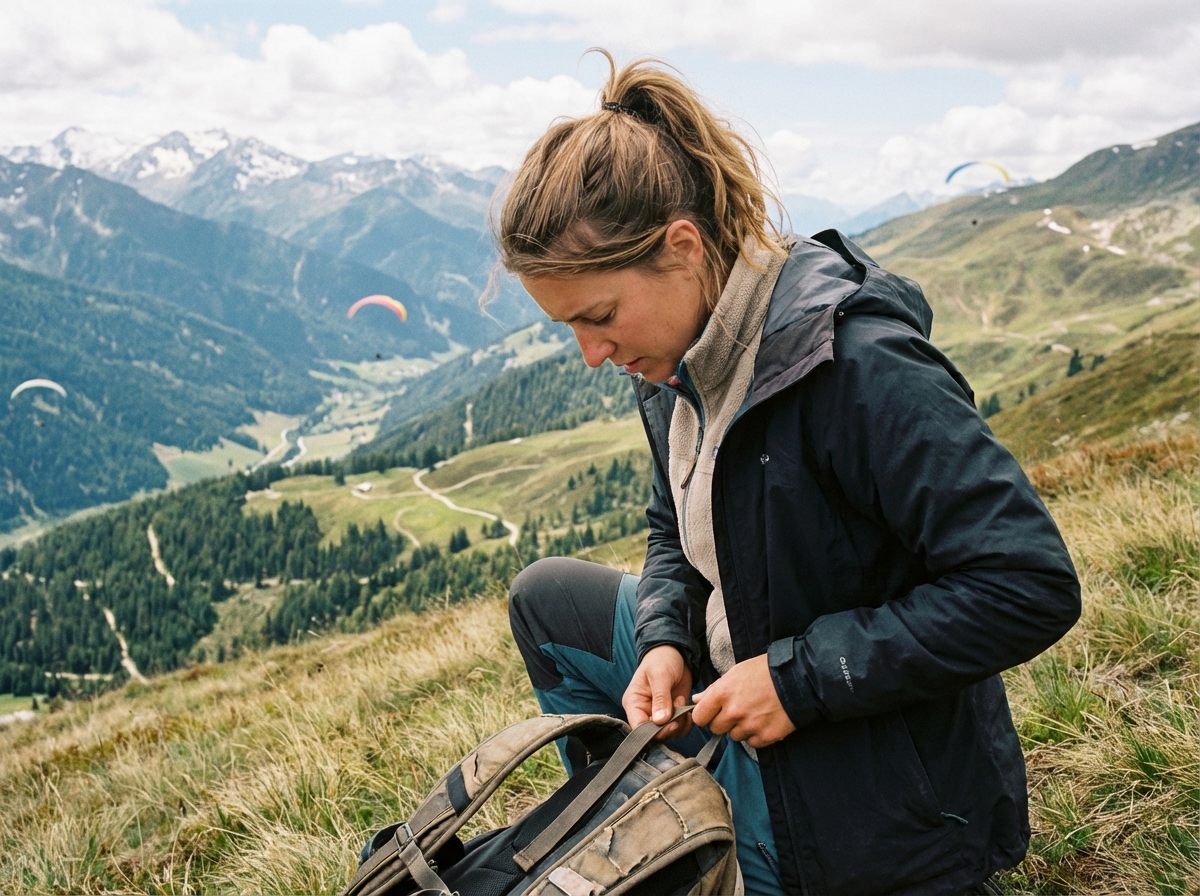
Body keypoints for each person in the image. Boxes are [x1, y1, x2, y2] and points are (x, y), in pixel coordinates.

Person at [495, 52, 1080, 895]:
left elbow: (1028, 583)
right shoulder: (673, 359)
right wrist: (665, 636)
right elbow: (675, 526)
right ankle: (642, 817)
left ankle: (704, 849)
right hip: (744, 670)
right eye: (570, 328)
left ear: (683, 247)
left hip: (861, 770)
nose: (592, 354)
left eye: (599, 315)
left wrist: (798, 681)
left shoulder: (861, 370)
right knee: (546, 598)